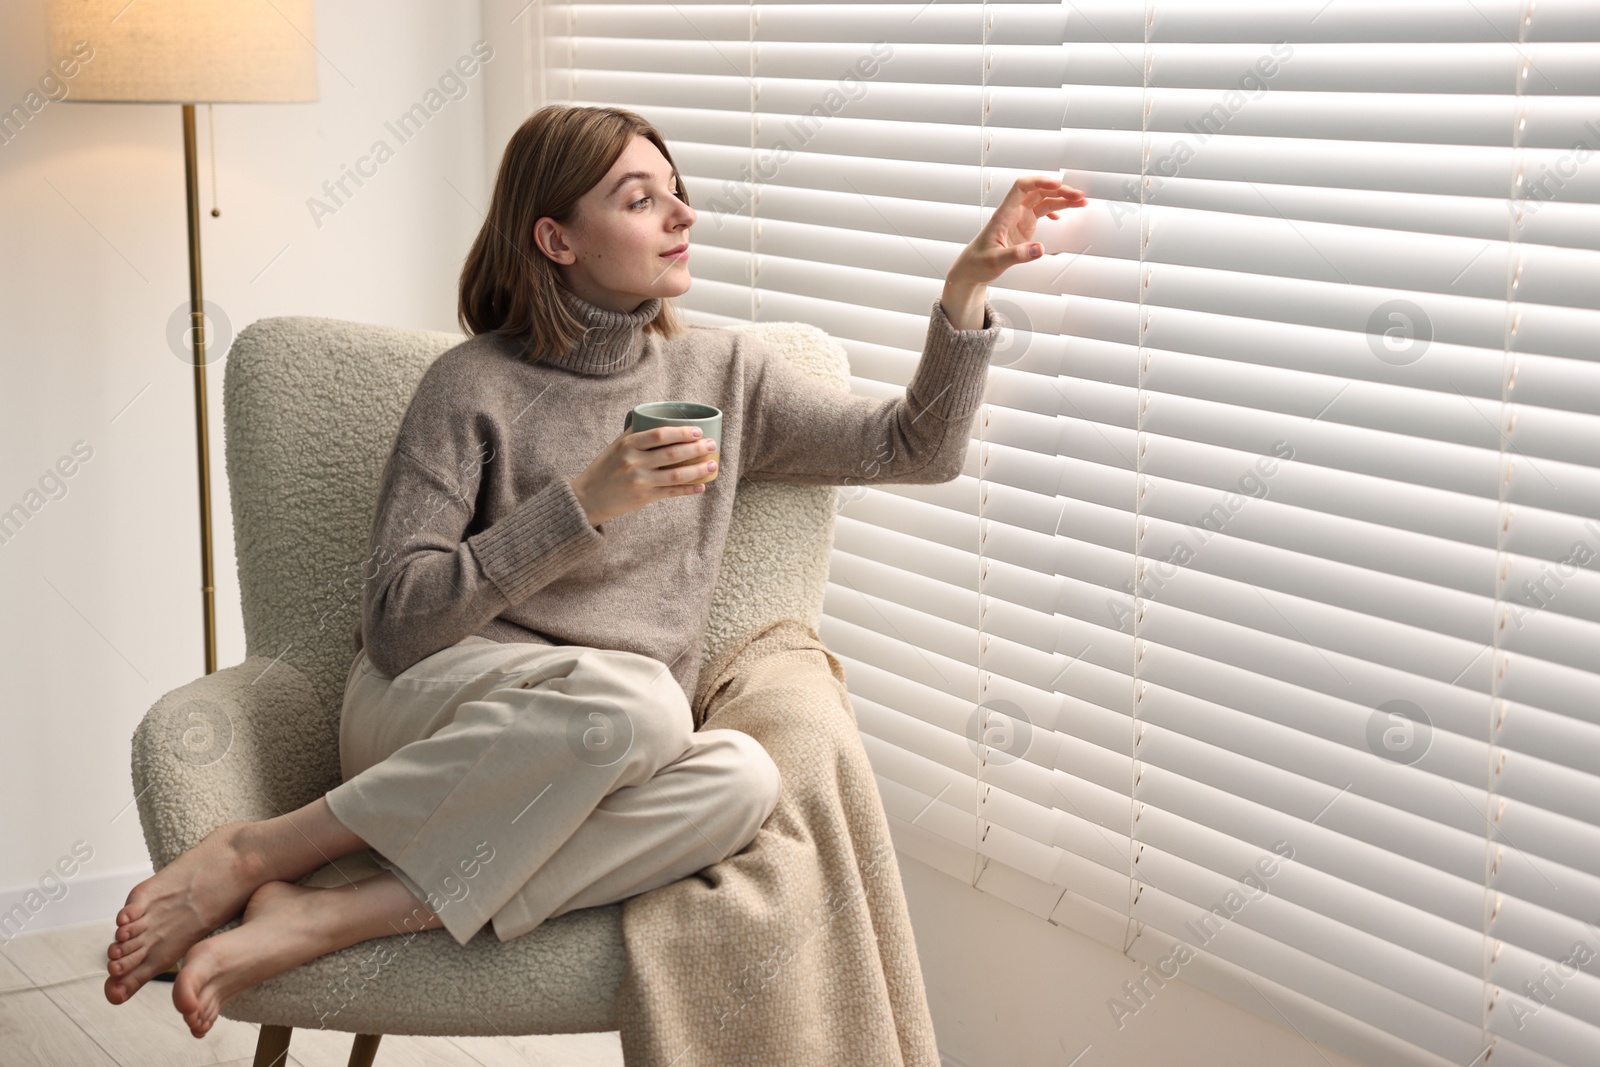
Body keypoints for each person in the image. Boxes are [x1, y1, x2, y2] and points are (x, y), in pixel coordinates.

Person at [101, 103, 1087, 1039]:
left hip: (604, 743)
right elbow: (398, 625)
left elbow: (913, 447)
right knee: (646, 706)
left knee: (742, 778)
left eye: (675, 188)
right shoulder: (471, 383)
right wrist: (585, 502)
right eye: (638, 196)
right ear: (555, 239)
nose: (682, 213)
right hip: (432, 709)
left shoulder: (724, 374)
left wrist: (968, 287)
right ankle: (261, 849)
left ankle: (338, 913)